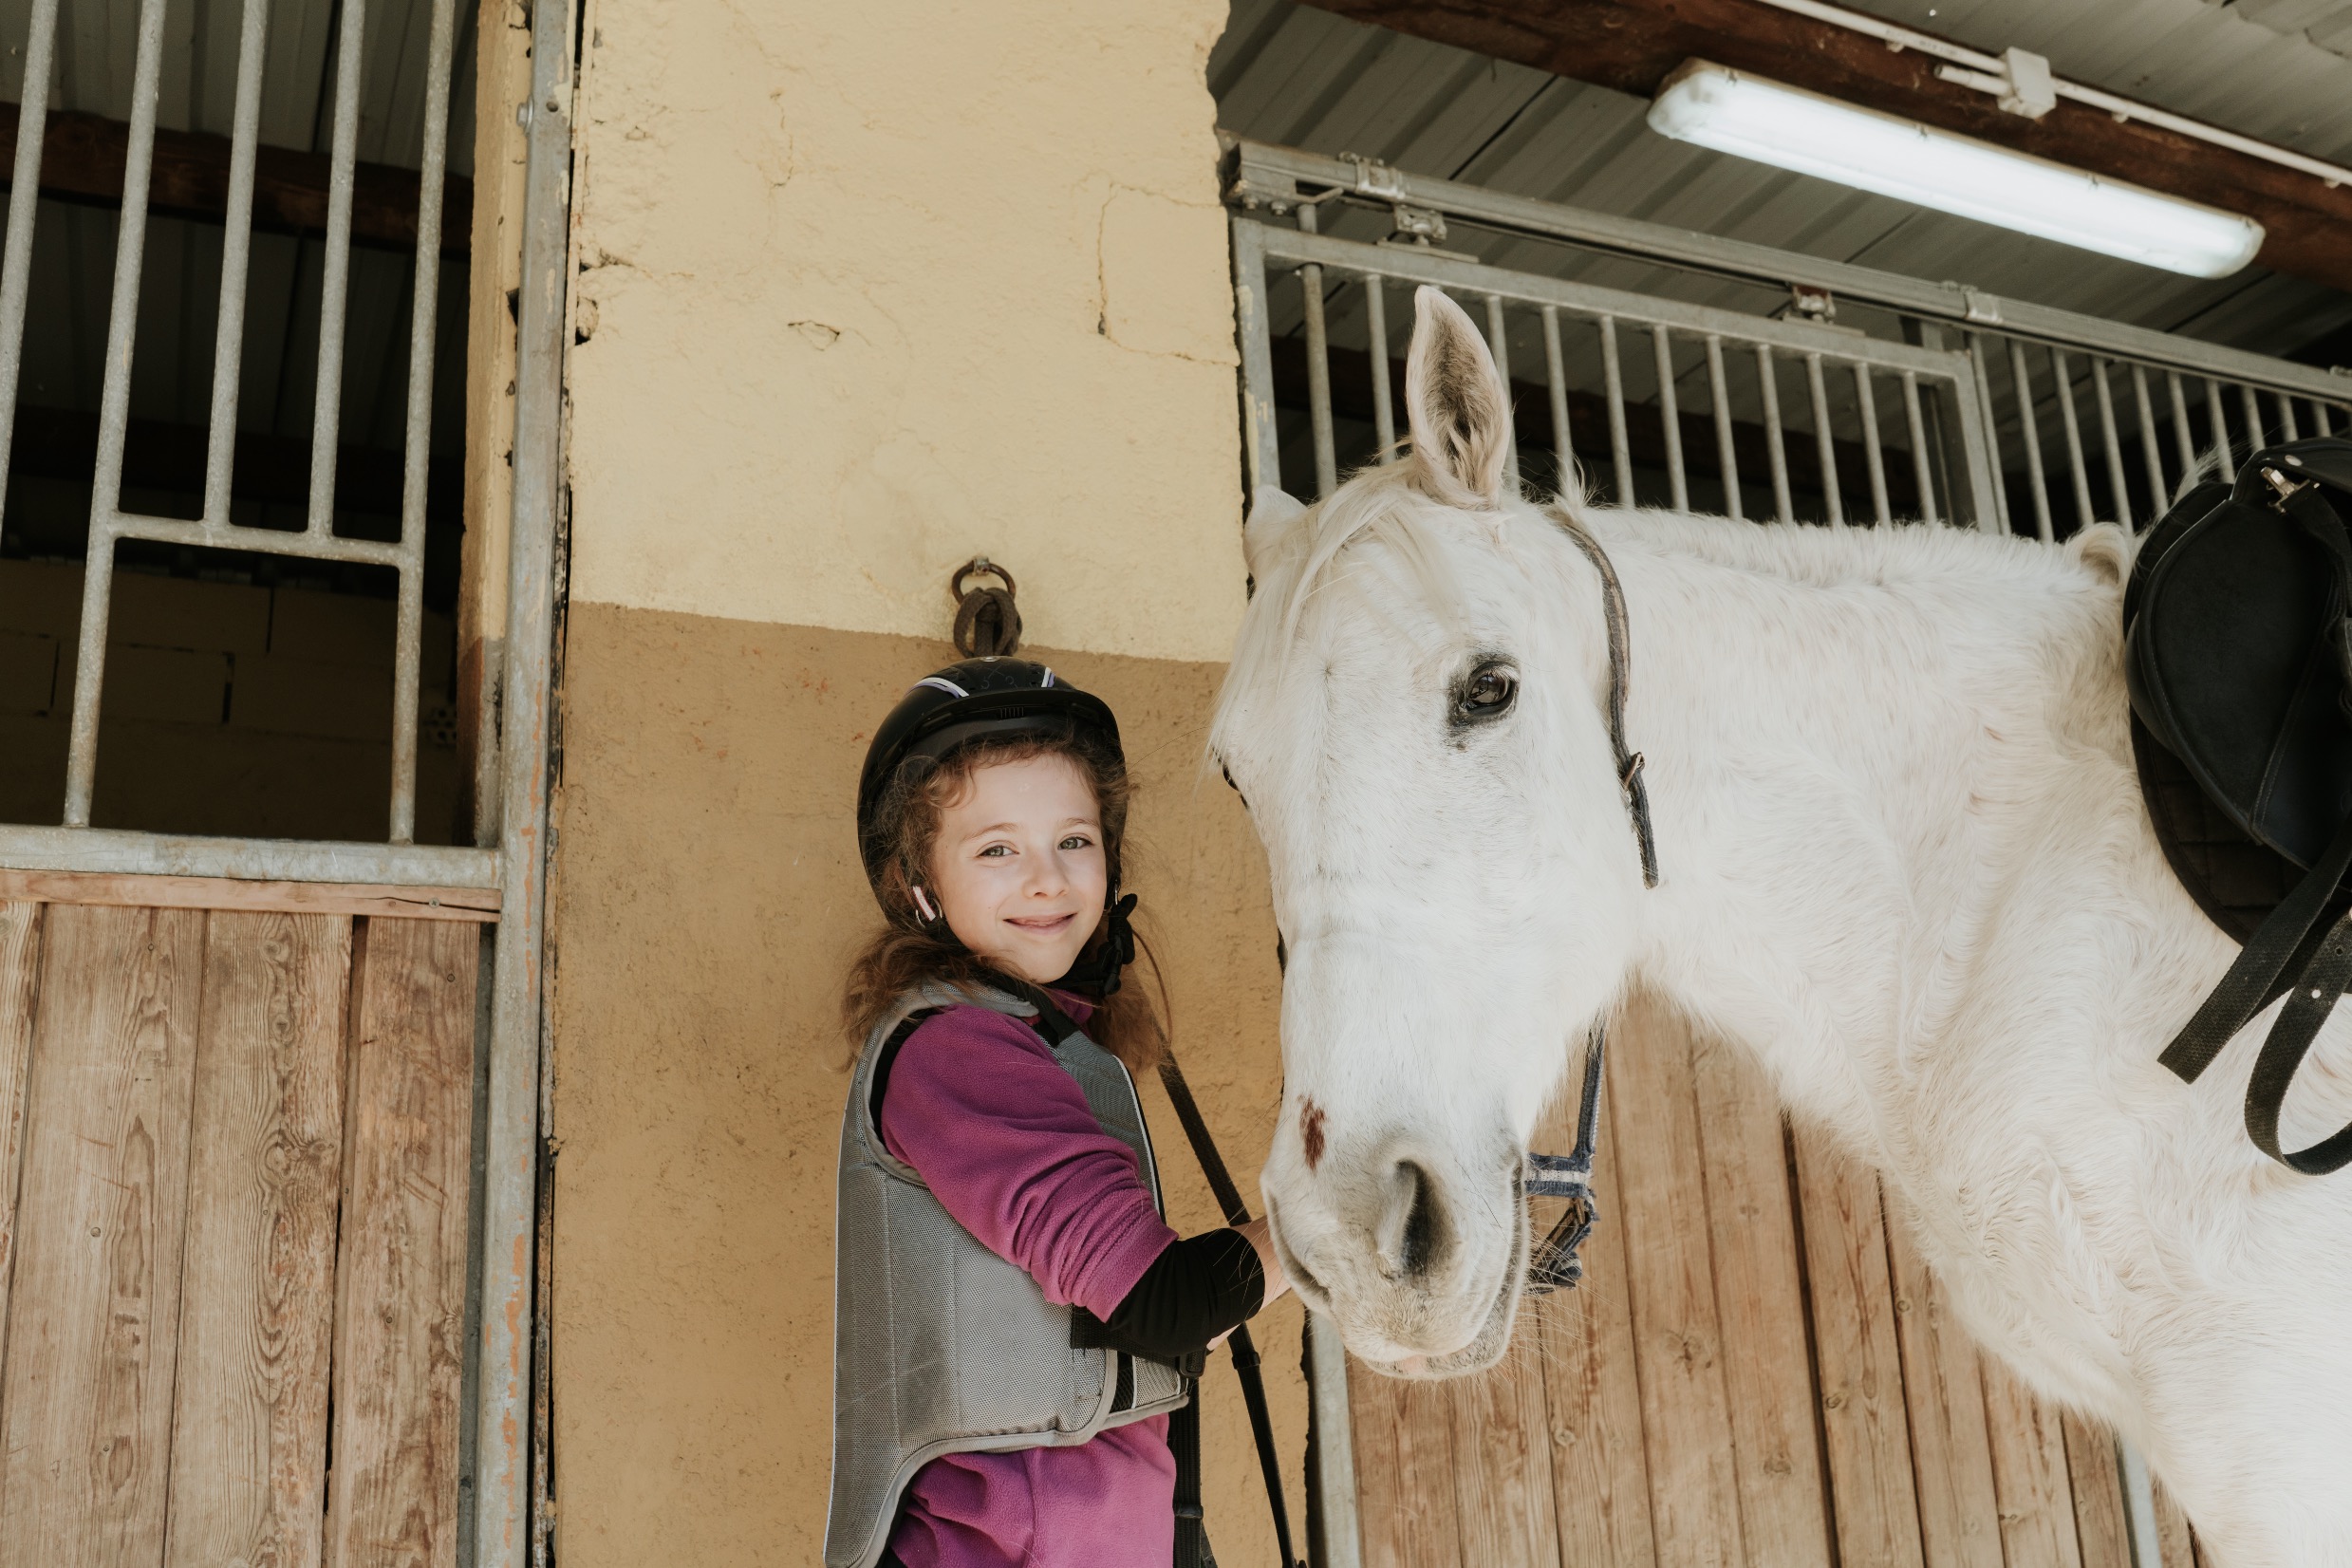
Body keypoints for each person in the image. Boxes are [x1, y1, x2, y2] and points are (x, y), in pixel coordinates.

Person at [825, 658, 1291, 1568]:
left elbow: (1123, 1333)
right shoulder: (956, 1052)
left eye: (1073, 841)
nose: (1046, 880)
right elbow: (1161, 1304)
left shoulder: (1052, 1044)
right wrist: (1338, 1233)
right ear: (918, 885)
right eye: (996, 849)